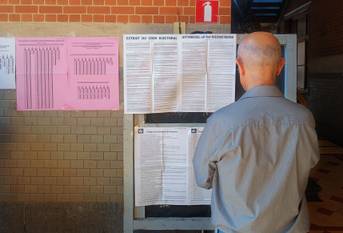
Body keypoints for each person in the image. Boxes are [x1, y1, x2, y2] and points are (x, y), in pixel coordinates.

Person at [193, 32, 320, 233]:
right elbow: (309, 165)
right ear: (280, 66)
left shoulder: (221, 121)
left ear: (239, 66)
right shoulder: (304, 119)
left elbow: (203, 179)